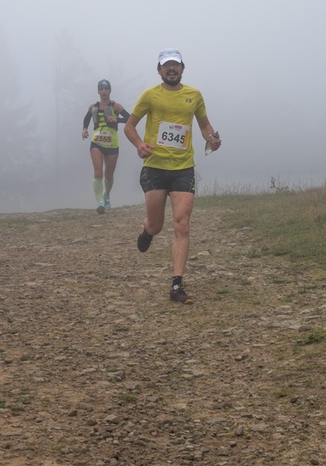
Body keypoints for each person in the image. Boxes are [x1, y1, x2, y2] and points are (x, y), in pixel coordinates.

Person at [124, 48, 221, 304]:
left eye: (175, 65)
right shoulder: (150, 95)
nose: (171, 69)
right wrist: (139, 144)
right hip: (155, 167)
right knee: (157, 225)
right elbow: (129, 126)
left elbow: (204, 124)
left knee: (182, 223)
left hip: (183, 168)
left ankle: (176, 285)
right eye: (166, 65)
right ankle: (147, 230)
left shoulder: (194, 95)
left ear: (182, 68)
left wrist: (211, 138)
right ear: (159, 70)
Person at [81, 79, 130, 214]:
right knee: (98, 172)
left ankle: (106, 194)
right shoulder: (93, 107)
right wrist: (84, 129)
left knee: (109, 174)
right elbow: (87, 118)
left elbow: (129, 118)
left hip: (112, 143)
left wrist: (117, 120)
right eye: (101, 89)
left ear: (110, 90)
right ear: (98, 91)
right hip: (96, 142)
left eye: (106, 89)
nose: (103, 91)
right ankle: (99, 203)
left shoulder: (116, 107)